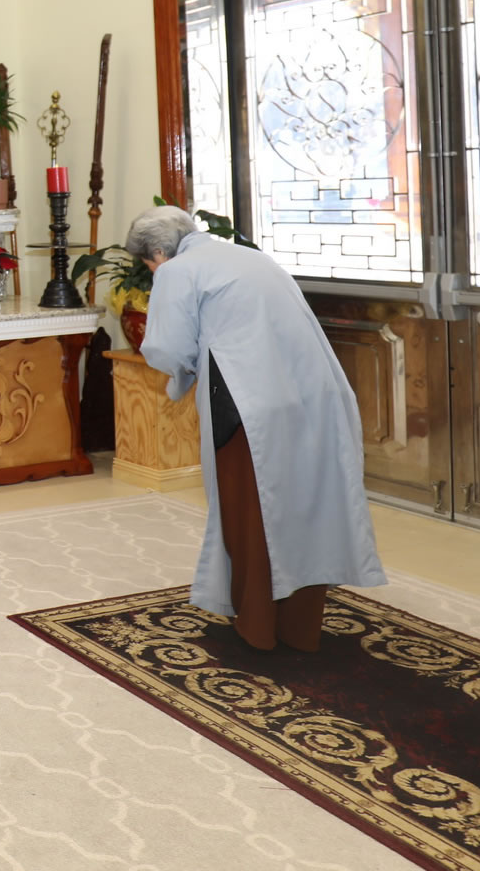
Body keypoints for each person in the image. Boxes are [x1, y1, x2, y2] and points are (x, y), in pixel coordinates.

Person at [131, 205, 384, 650]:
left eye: (147, 264)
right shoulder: (249, 256)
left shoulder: (177, 270)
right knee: (306, 507)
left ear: (157, 252)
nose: (152, 271)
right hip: (315, 395)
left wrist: (181, 376)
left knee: (251, 512)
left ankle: (257, 629)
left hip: (251, 407)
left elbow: (166, 348)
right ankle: (300, 628)